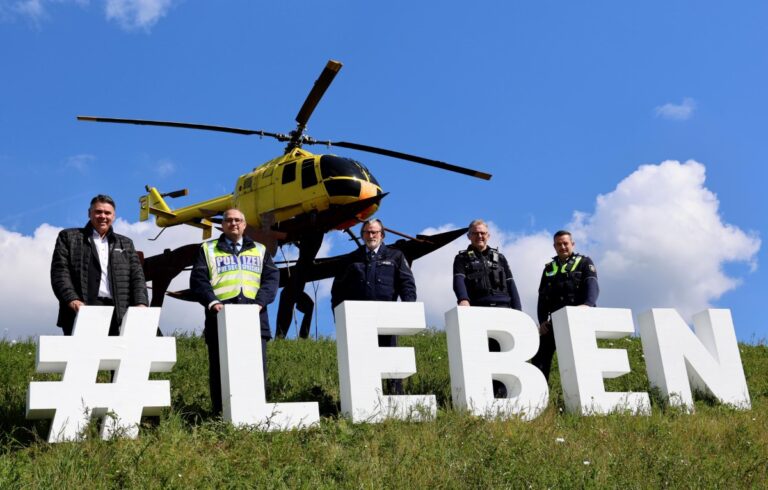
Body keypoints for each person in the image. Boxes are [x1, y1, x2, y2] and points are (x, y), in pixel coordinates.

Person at [190, 208, 279, 415]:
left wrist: (260, 303)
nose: (233, 224)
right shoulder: (207, 249)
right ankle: (220, 414)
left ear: (245, 224)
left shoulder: (260, 249)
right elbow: (198, 280)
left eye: (238, 220)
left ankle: (257, 415)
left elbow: (271, 279)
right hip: (219, 315)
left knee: (256, 368)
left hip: (255, 315)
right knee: (220, 369)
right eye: (228, 220)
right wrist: (212, 303)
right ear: (222, 225)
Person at [331, 218, 417, 395]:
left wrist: (408, 309)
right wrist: (338, 318)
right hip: (359, 319)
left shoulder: (396, 256)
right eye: (367, 232)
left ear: (382, 235)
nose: (371, 235)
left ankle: (396, 396)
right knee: (362, 360)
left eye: (375, 232)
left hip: (387, 317)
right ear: (362, 235)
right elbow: (338, 291)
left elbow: (407, 284)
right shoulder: (350, 260)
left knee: (390, 357)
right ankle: (366, 396)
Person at [51, 194, 148, 336]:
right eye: (98, 212)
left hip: (118, 312)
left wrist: (141, 303)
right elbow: (60, 273)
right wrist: (72, 299)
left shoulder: (126, 243)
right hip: (81, 309)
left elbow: (137, 277)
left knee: (115, 356)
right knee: (81, 356)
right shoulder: (68, 237)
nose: (103, 216)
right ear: (89, 214)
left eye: (107, 213)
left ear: (113, 216)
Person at [452, 218, 522, 397]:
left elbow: (511, 285)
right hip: (479, 310)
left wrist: (519, 312)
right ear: (469, 236)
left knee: (504, 355)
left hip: (503, 309)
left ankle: (504, 395)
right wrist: (463, 299)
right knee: (484, 355)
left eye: (483, 233)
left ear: (488, 235)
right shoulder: (461, 258)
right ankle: (485, 395)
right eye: (475, 233)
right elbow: (458, 281)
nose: (479, 236)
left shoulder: (501, 258)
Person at [532, 230, 599, 381]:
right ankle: (540, 394)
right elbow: (542, 297)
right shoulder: (549, 268)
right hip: (555, 321)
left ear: (572, 244)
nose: (562, 247)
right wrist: (542, 320)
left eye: (565, 243)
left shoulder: (584, 262)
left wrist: (587, 305)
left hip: (579, 319)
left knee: (582, 358)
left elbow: (592, 286)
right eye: (558, 244)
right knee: (540, 356)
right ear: (554, 246)